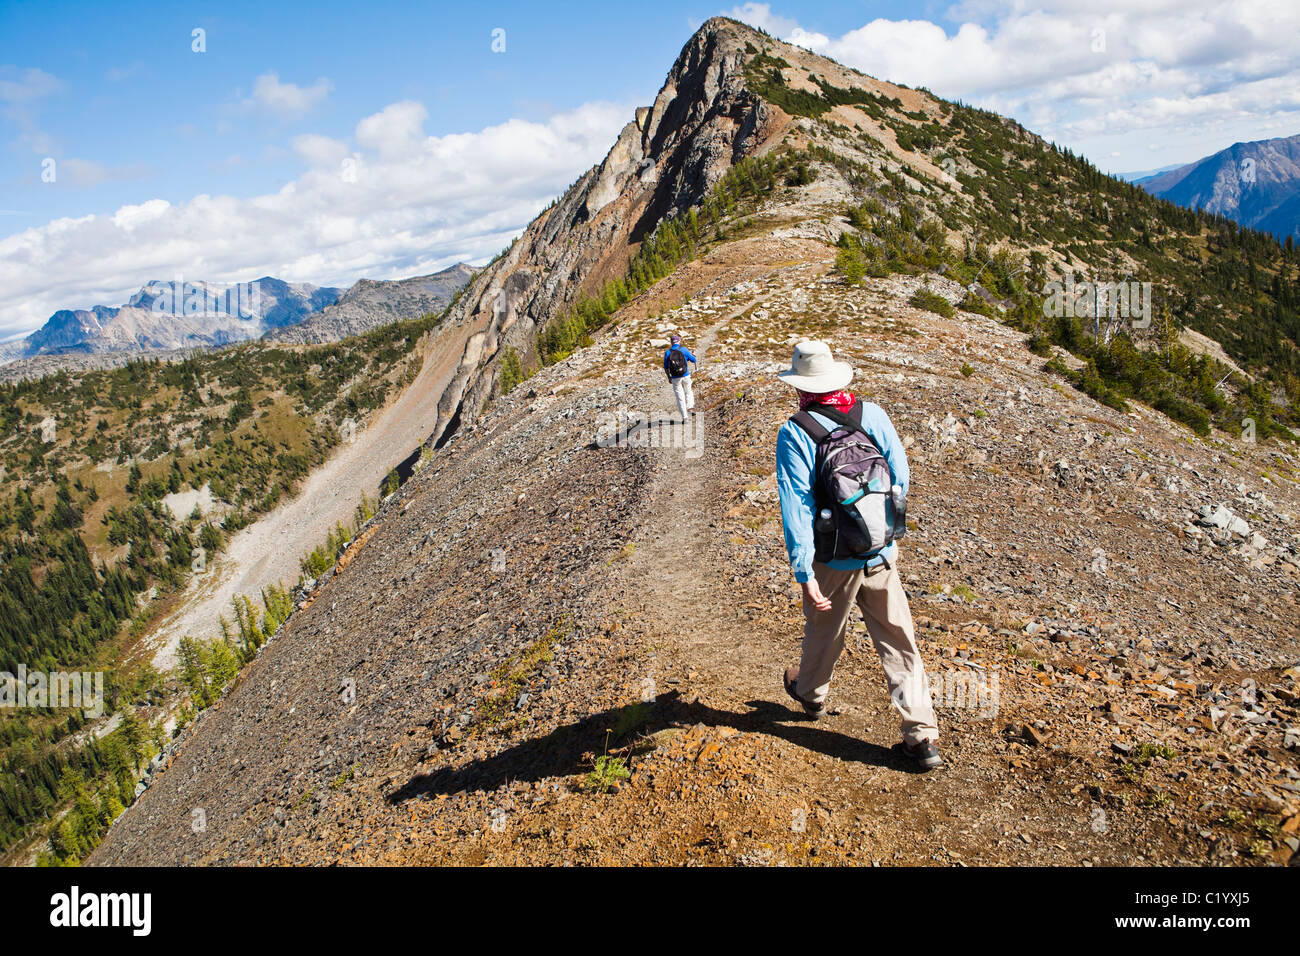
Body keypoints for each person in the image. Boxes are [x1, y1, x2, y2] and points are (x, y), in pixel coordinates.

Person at [774, 340, 942, 771]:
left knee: (825, 630)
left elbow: (797, 507)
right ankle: (922, 737)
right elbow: (899, 476)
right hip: (881, 551)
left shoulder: (797, 431)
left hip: (833, 559)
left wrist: (804, 575)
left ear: (801, 387)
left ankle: (811, 696)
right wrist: (883, 531)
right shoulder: (872, 414)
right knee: (900, 641)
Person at [663, 334, 697, 421]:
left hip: (675, 377)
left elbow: (666, 367)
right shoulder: (684, 350)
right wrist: (693, 354)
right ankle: (690, 407)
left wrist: (669, 377)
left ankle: (685, 417)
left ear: (671, 342)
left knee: (680, 397)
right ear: (679, 341)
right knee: (688, 391)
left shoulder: (668, 352)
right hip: (685, 375)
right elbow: (694, 360)